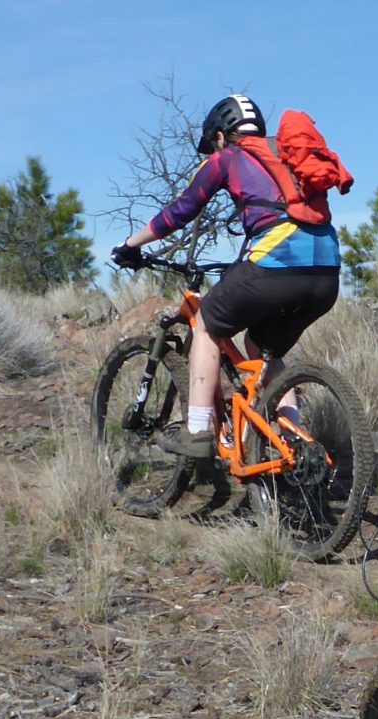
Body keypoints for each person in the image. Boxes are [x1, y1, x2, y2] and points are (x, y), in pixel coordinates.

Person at [113, 93, 341, 459]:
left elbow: (180, 211)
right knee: (261, 348)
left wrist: (130, 245)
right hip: (327, 272)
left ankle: (199, 430)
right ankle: (295, 440)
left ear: (221, 135)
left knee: (206, 324)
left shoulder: (228, 157)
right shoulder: (286, 153)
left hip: (277, 263)